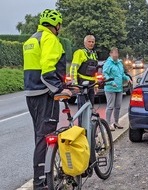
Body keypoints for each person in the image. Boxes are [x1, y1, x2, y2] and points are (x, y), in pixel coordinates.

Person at [23, 9, 72, 189]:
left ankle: (40, 179)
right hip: (45, 94)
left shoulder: (31, 40)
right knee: (45, 138)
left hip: (31, 94)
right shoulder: (50, 38)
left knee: (40, 137)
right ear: (56, 25)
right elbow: (47, 71)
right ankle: (41, 183)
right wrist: (60, 89)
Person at [103, 47, 132, 131]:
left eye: (117, 53)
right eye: (114, 53)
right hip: (110, 88)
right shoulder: (108, 63)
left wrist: (127, 78)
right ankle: (108, 123)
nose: (116, 55)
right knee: (110, 106)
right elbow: (105, 74)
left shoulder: (119, 63)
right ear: (110, 54)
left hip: (119, 88)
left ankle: (116, 122)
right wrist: (111, 82)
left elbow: (122, 74)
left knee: (118, 106)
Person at [70, 35, 98, 107]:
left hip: (91, 84)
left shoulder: (94, 54)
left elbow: (95, 72)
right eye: (89, 42)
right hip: (82, 84)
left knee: (91, 106)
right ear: (85, 43)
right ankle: (82, 118)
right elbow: (73, 69)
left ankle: (89, 118)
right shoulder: (79, 53)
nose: (91, 43)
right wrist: (75, 84)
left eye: (92, 42)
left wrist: (96, 85)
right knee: (83, 107)